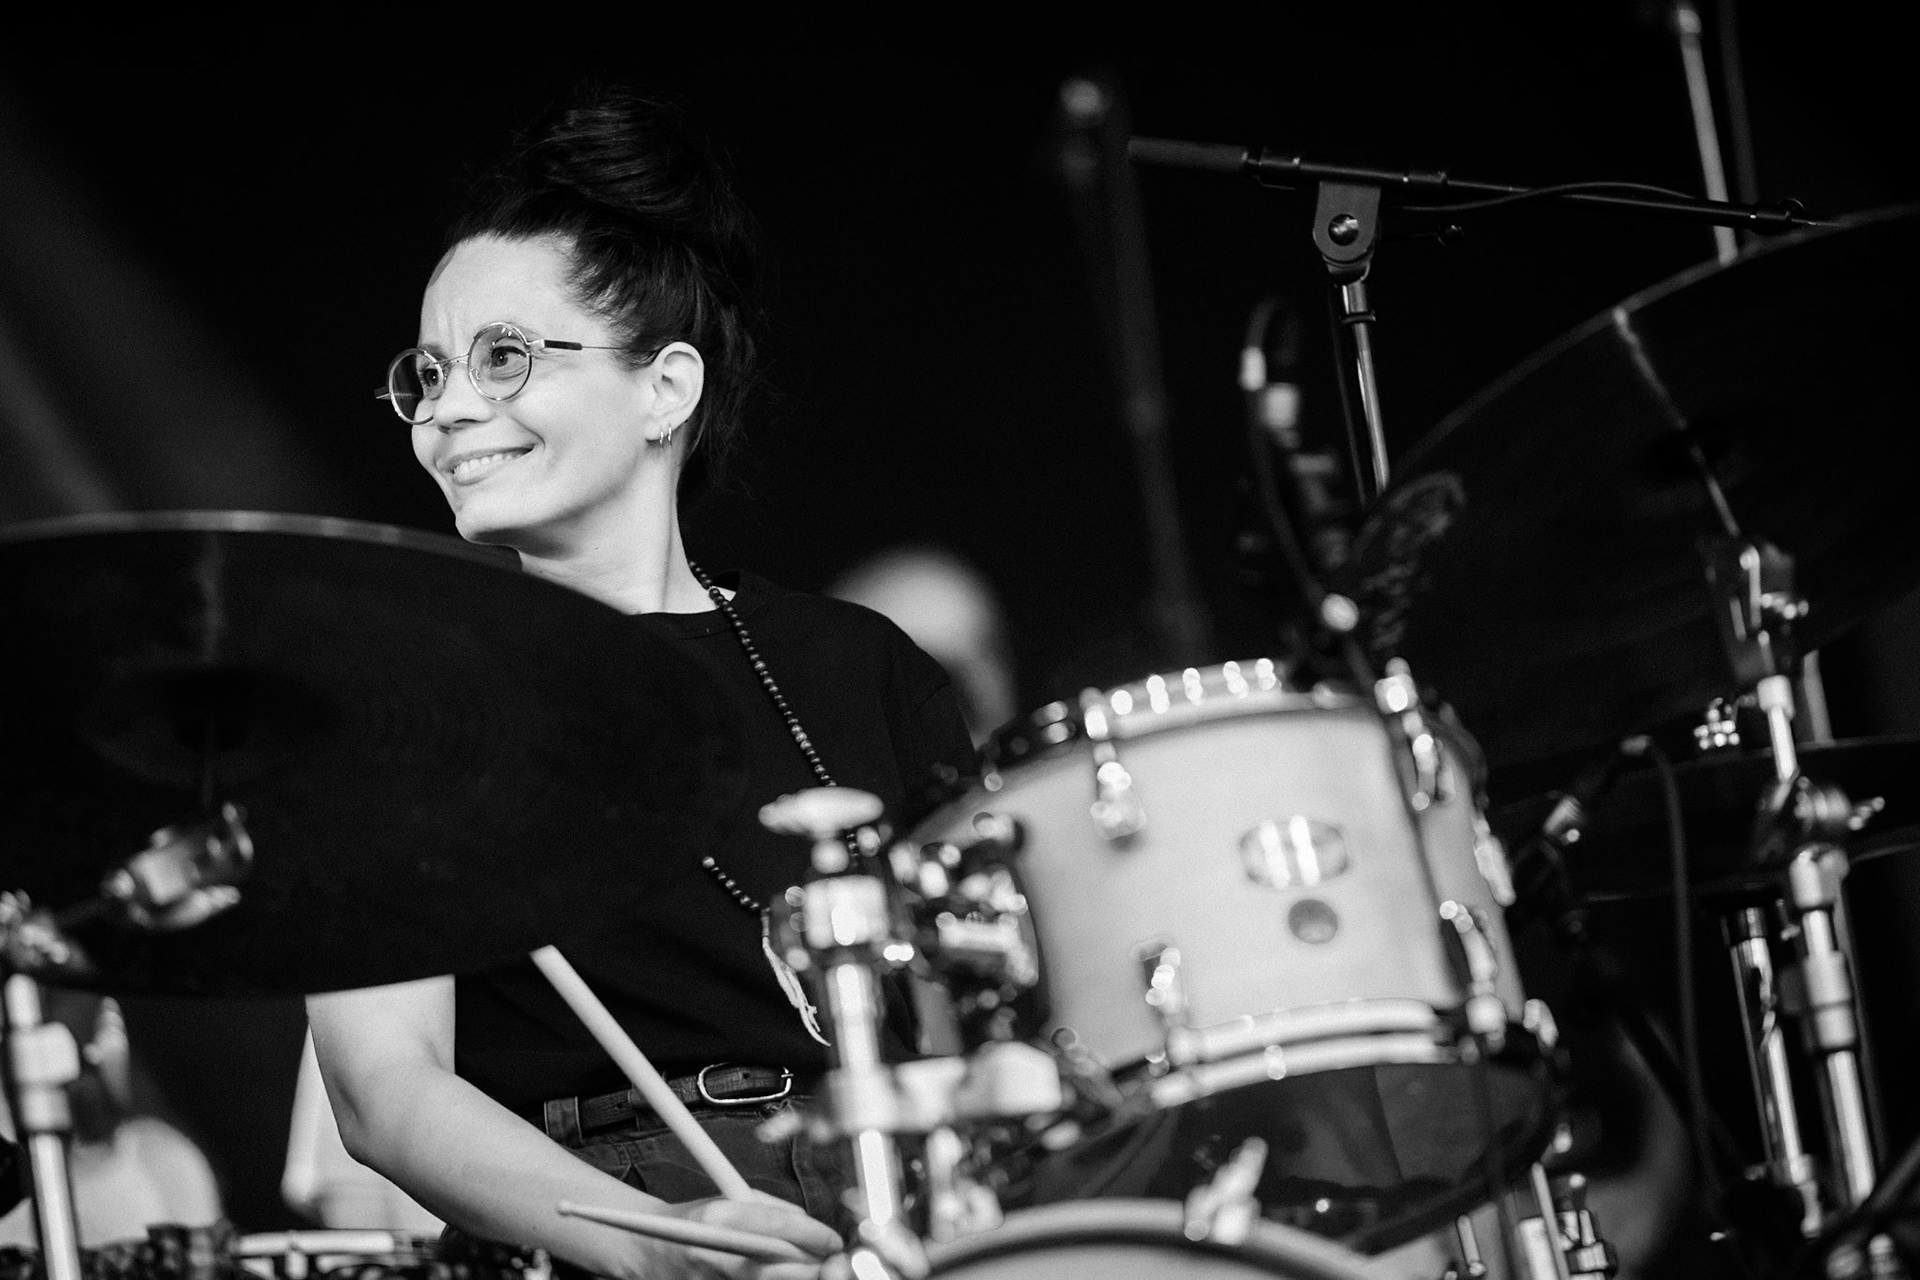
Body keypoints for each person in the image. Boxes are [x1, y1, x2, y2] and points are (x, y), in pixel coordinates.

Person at [305, 88, 974, 1280]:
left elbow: (998, 1010)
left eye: (503, 357)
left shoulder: (862, 664)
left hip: (906, 1205)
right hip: (613, 1219)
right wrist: (647, 1240)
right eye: (430, 370)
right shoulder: (402, 697)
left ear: (667, 388)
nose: (450, 408)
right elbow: (384, 1089)